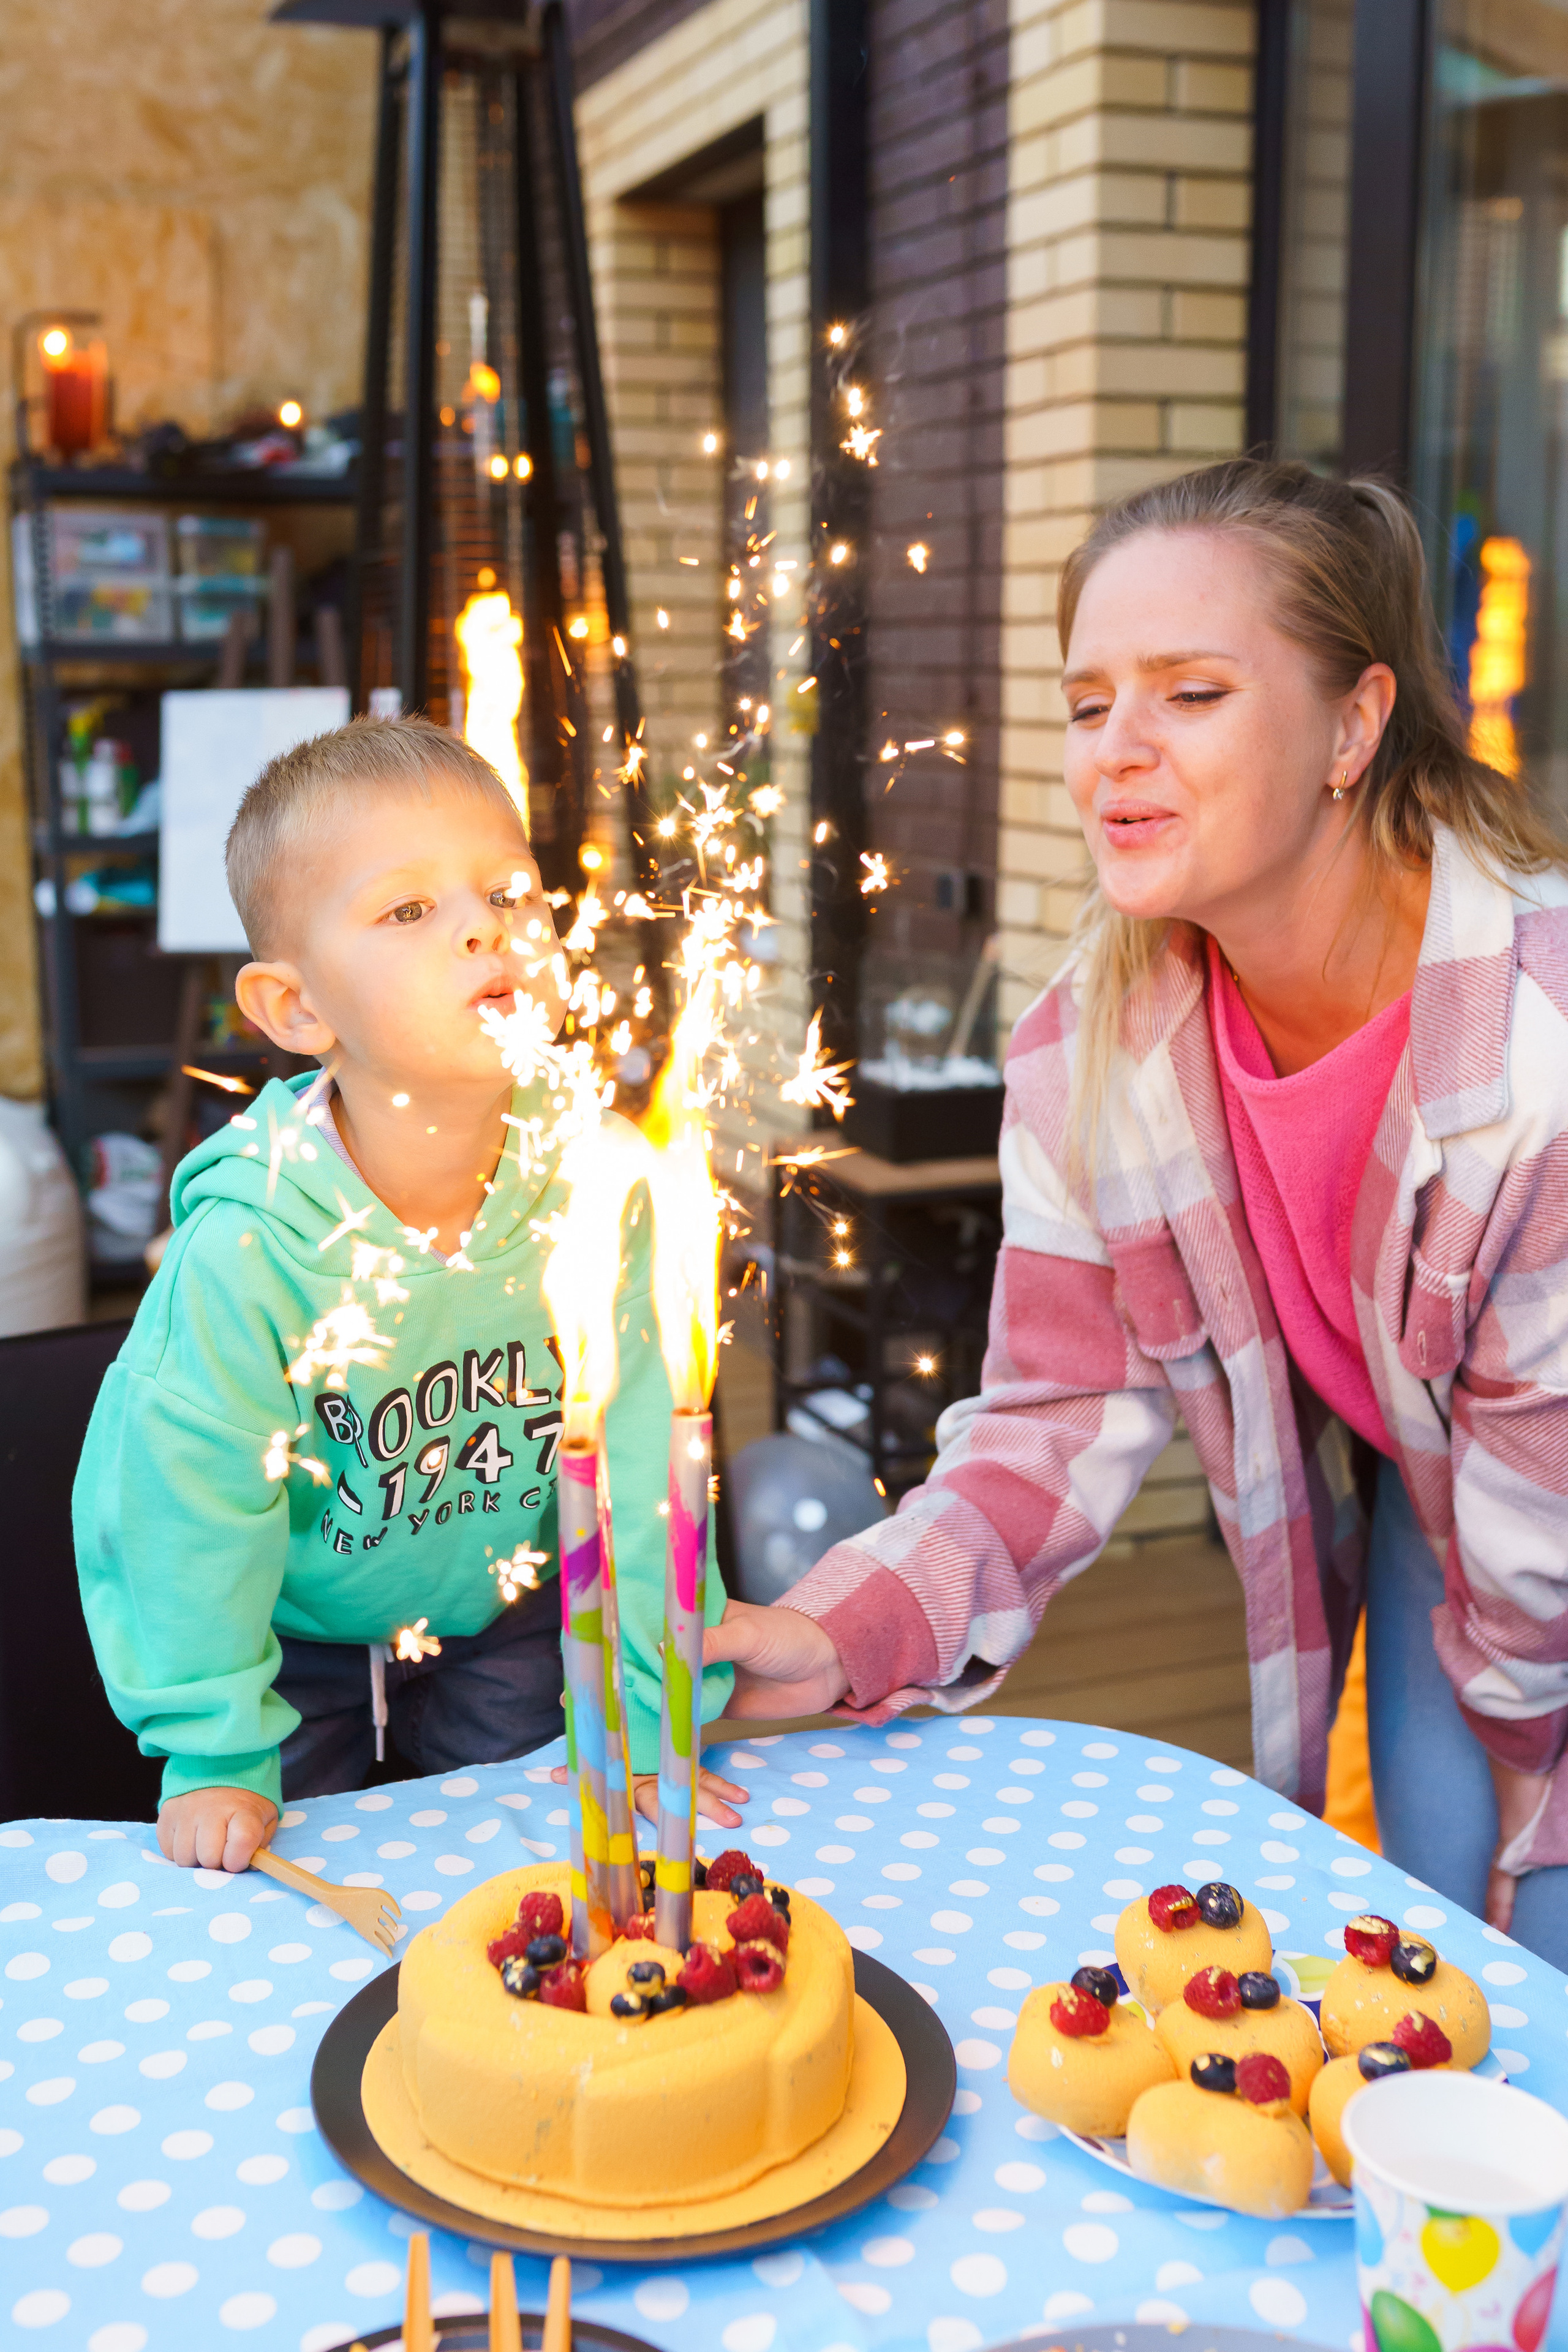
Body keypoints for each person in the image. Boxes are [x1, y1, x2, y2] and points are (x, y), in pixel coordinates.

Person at [706, 459, 1568, 1967]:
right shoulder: (1090, 1048)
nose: (1118, 751)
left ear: (1352, 726)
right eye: (1089, 700)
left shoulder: (1537, 1054)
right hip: (1474, 1500)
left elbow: (1538, 1582)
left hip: (1533, 1523)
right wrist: (842, 1630)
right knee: (1455, 1925)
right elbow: (1048, 1419)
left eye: (1190, 693)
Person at [76, 717, 743, 1872]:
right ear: (297, 1011)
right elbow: (179, 1508)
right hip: (292, 1656)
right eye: (407, 910)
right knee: (313, 1918)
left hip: (516, 1625)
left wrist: (646, 1708)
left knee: (525, 1888)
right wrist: (217, 1752)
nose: (486, 927)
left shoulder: (602, 1186)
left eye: (509, 892)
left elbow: (648, 1464)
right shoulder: (252, 1249)